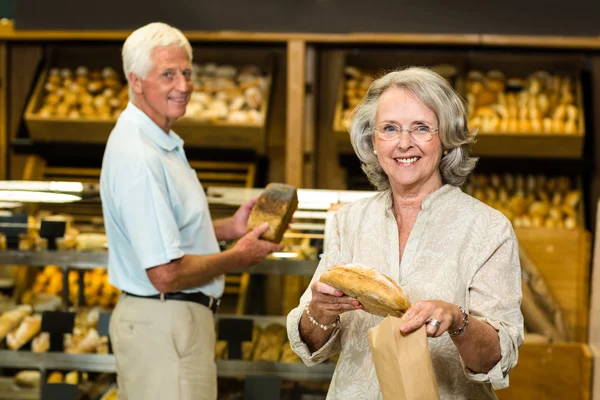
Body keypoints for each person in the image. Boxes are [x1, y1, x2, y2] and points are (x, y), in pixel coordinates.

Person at [287, 67, 523, 399]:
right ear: (372, 140)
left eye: (421, 128)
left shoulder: (487, 228)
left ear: (446, 137)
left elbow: (498, 359)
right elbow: (311, 346)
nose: (403, 143)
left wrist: (457, 320)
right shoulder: (348, 221)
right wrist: (320, 311)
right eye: (390, 129)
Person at [100, 22, 282, 400]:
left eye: (186, 72)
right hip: (165, 327)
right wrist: (237, 257)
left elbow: (166, 229)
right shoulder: (141, 156)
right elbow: (165, 273)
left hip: (169, 329)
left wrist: (227, 228)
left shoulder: (157, 141)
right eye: (168, 75)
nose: (183, 86)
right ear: (136, 81)